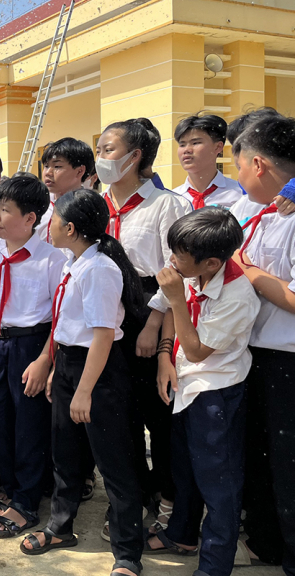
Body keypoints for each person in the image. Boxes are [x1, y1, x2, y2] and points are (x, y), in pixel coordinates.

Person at [20, 188, 145, 576]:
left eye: (54, 218)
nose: (49, 225)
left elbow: (103, 335)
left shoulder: (100, 270)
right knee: (66, 455)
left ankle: (127, 554)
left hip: (98, 372)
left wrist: (85, 391)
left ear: (70, 228)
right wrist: (57, 368)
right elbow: (67, 325)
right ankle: (60, 527)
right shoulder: (73, 262)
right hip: (71, 365)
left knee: (114, 463)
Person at [143, 208, 258, 576]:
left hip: (215, 393)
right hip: (187, 385)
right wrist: (165, 357)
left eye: (180, 255)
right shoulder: (194, 271)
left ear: (211, 262)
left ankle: (213, 566)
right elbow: (170, 316)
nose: (173, 261)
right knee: (185, 469)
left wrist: (177, 298)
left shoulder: (237, 295)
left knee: (218, 483)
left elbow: (195, 350)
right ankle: (182, 534)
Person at [95, 118, 190, 539]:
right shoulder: (97, 205)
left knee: (159, 415)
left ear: (135, 156)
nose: (101, 157)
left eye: (109, 149)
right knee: (119, 416)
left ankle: (170, 499)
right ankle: (130, 498)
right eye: (99, 149)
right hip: (106, 318)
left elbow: (176, 271)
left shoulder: (166, 205)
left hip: (148, 314)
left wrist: (153, 326)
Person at [0, 174, 66, 538]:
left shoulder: (52, 260)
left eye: (6, 210)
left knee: (28, 427)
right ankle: (13, 486)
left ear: (30, 218)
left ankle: (26, 502)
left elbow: (61, 316)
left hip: (32, 346)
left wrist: (44, 360)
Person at [228, 114, 295, 571]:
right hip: (258, 355)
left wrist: (248, 271)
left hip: (286, 360)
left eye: (238, 165)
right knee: (262, 459)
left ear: (258, 164)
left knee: (287, 465)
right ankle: (268, 542)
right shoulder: (266, 213)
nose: (238, 177)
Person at [172, 114, 242, 210]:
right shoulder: (173, 199)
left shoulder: (239, 195)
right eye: (182, 145)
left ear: (218, 147)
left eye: (195, 143)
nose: (187, 150)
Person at [38, 138, 97, 245]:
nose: (48, 173)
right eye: (46, 166)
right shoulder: (38, 204)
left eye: (57, 166)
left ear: (80, 171)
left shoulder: (91, 208)